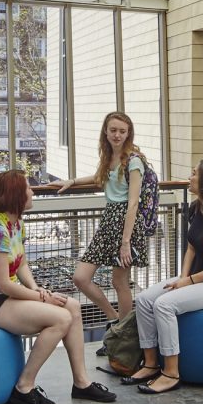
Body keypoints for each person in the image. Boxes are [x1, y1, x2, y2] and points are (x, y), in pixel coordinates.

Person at [0, 170, 118, 404]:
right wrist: (42, 296)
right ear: (16, 195)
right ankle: (24, 387)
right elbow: (4, 284)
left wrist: (36, 288)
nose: (32, 192)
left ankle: (82, 383)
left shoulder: (15, 223)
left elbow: (20, 262)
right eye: (28, 189)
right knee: (60, 318)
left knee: (72, 306)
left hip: (2, 297)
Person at [126, 158, 203, 394]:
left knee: (163, 305)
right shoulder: (196, 208)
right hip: (195, 279)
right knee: (144, 300)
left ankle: (171, 372)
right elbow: (191, 247)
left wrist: (188, 282)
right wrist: (182, 278)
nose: (189, 177)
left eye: (194, 174)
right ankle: (150, 364)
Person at [55, 112, 151, 328]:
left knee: (119, 282)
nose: (117, 135)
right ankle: (114, 319)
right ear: (106, 132)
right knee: (81, 278)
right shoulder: (109, 156)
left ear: (129, 134)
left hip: (126, 223)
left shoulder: (134, 162)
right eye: (113, 130)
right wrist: (73, 181)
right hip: (109, 221)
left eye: (122, 131)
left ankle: (123, 331)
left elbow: (133, 203)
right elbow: (100, 177)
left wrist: (126, 243)